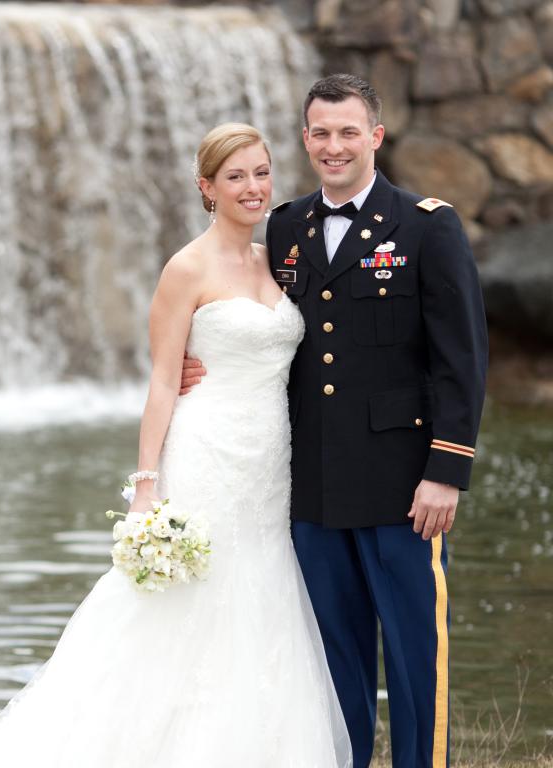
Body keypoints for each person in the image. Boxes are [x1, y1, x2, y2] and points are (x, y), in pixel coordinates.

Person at [0, 123, 352, 768]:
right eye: (236, 176)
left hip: (270, 465)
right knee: (182, 607)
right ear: (206, 188)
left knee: (260, 598)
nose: (253, 187)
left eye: (262, 172)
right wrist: (146, 485)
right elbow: (164, 379)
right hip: (206, 453)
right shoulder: (186, 267)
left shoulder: (280, 257)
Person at [182, 75, 488, 768]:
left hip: (402, 485)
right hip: (312, 488)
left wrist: (446, 470)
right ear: (305, 139)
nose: (334, 145)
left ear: (376, 136)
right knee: (333, 665)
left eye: (349, 131)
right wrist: (193, 365)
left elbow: (461, 359)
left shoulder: (427, 225)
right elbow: (255, 322)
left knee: (414, 661)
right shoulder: (287, 226)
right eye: (320, 132)